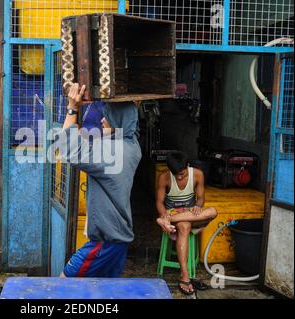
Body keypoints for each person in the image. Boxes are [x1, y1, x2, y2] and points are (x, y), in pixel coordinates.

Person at [57, 83, 142, 277]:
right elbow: (94, 137)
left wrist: (73, 108)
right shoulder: (131, 145)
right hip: (117, 238)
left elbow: (69, 150)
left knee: (63, 282)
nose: (103, 119)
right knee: (102, 290)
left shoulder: (113, 153)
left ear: (118, 122)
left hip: (106, 242)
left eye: (108, 115)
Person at [156, 151, 218, 295]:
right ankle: (185, 275)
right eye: (176, 174)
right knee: (184, 226)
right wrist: (164, 214)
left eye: (182, 174)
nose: (179, 177)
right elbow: (159, 203)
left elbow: (201, 198)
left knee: (213, 211)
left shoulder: (197, 174)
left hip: (191, 213)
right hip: (173, 213)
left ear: (187, 166)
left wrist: (198, 205)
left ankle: (166, 221)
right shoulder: (164, 178)